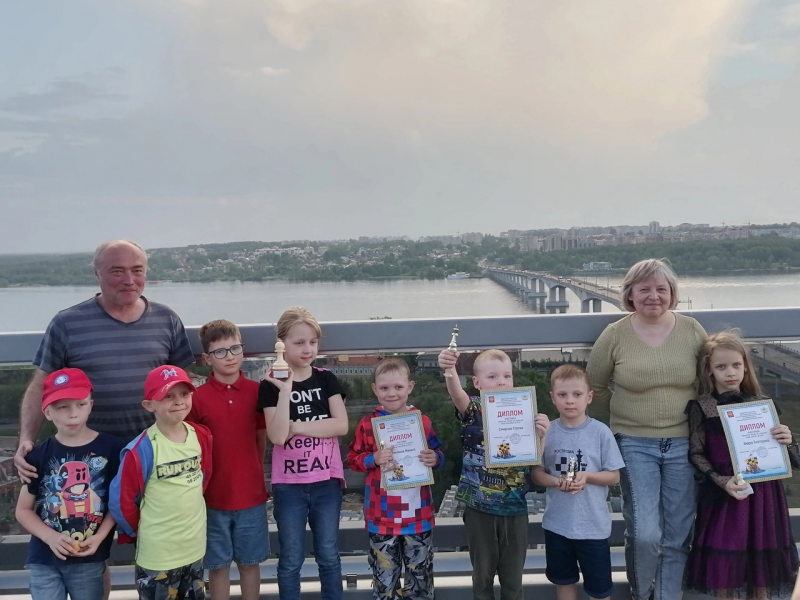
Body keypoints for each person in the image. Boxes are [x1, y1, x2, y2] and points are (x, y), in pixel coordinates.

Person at [15, 240, 195, 482]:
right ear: (96, 273)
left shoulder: (167, 320)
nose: (129, 280)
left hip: (156, 455)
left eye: (137, 270)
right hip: (90, 462)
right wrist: (26, 439)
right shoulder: (67, 324)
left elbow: (184, 388)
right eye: (117, 271)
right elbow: (40, 386)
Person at [586, 258, 707, 600]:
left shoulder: (692, 330)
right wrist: (624, 417)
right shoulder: (615, 334)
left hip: (684, 442)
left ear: (672, 293)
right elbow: (594, 387)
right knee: (645, 533)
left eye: (661, 289)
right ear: (630, 294)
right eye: (644, 289)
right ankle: (641, 593)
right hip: (633, 442)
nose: (653, 296)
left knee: (678, 533)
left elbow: (707, 383)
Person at [683, 331, 798, 598]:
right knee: (725, 566)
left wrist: (789, 440)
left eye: (736, 365)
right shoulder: (702, 407)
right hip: (725, 495)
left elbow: (791, 458)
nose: (730, 372)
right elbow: (696, 453)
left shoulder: (762, 405)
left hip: (763, 497)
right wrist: (721, 480)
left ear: (746, 365)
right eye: (721, 367)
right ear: (709, 371)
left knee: (761, 570)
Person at [438, 348, 550, 600]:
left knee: (513, 580)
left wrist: (542, 436)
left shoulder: (525, 412)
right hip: (479, 509)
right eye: (492, 377)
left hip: (515, 508)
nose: (501, 382)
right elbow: (456, 393)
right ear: (477, 383)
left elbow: (533, 460)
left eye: (507, 376)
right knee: (482, 578)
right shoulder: (474, 409)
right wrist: (449, 368)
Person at [258, 306, 348, 600]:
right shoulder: (270, 385)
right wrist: (285, 392)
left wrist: (295, 426)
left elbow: (340, 425)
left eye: (313, 342)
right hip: (289, 486)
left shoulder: (326, 379)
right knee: (290, 558)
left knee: (328, 554)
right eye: (299, 343)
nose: (308, 349)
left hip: (326, 482)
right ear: (282, 344)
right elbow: (277, 436)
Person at [15, 368, 123, 600]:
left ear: (90, 405)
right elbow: (23, 510)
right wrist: (50, 537)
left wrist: (100, 537)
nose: (73, 414)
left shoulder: (113, 449)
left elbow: (118, 503)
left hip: (88, 557)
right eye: (63, 407)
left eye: (80, 405)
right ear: (47, 412)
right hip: (44, 559)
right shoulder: (38, 455)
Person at [109, 366, 213, 600]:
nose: (179, 401)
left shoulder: (201, 436)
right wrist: (144, 532)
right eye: (168, 396)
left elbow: (203, 479)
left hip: (194, 549)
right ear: (149, 405)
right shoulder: (141, 449)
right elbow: (121, 502)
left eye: (184, 394)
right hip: (158, 557)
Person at [347, 358, 444, 600]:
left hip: (418, 515)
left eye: (398, 387)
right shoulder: (367, 425)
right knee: (385, 582)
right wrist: (373, 458)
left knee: (420, 579)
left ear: (410, 387)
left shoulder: (421, 422)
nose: (392, 393)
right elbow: (353, 460)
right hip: (382, 516)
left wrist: (435, 458)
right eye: (384, 388)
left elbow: (438, 452)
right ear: (375, 389)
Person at [186, 319, 269, 600]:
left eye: (235, 348)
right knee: (217, 567)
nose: (230, 356)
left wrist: (251, 471)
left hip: (251, 496)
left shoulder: (257, 392)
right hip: (212, 499)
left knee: (250, 564)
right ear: (207, 358)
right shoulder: (197, 398)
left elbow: (261, 440)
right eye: (220, 351)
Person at [531, 364, 624, 600]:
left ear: (589, 397)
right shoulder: (547, 432)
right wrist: (556, 482)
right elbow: (537, 474)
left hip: (593, 527)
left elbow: (614, 476)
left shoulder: (601, 432)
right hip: (557, 526)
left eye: (577, 394)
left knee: (599, 591)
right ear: (553, 398)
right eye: (562, 395)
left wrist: (588, 476)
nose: (570, 401)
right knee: (564, 583)